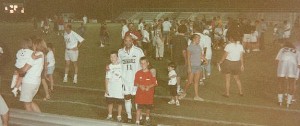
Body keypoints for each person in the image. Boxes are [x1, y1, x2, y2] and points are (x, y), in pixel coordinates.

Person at [118, 35, 144, 123]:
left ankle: (139, 116)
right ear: (124, 41)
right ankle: (129, 116)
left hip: (136, 80)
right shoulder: (120, 52)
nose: (128, 42)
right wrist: (108, 66)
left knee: (137, 99)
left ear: (132, 41)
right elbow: (118, 64)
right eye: (126, 41)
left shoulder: (138, 51)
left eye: (130, 40)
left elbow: (144, 63)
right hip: (125, 80)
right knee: (127, 97)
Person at [18, 38, 48, 112]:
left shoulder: (35, 55)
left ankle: (31, 122)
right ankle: (41, 118)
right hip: (35, 82)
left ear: (36, 45)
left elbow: (24, 69)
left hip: (29, 82)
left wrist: (18, 70)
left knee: (27, 104)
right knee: (30, 102)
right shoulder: (41, 54)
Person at [179, 34, 205, 101]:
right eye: (198, 39)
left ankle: (196, 96)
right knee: (190, 81)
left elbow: (200, 55)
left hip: (198, 66)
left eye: (199, 39)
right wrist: (189, 67)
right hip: (192, 66)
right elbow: (188, 58)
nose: (199, 40)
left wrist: (204, 59)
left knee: (196, 81)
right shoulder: (190, 47)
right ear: (193, 39)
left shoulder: (199, 46)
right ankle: (184, 92)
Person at [275, 42, 300, 108]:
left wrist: (279, 71)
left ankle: (280, 101)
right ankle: (288, 102)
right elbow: (299, 64)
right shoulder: (297, 51)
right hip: (292, 64)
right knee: (291, 82)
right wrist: (296, 74)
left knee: (280, 81)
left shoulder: (282, 49)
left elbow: (277, 60)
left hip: (283, 63)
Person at [134, 57, 157, 125]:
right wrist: (140, 86)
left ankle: (147, 118)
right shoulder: (138, 73)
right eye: (141, 63)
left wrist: (149, 87)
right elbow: (135, 82)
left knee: (148, 108)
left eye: (144, 63)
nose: (143, 64)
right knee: (139, 108)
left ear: (148, 63)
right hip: (140, 95)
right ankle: (137, 121)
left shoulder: (151, 73)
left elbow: (155, 83)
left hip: (149, 95)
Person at [105, 51, 124, 122]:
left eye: (114, 56)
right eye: (111, 57)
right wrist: (106, 88)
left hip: (119, 87)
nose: (112, 58)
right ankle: (109, 115)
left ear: (117, 57)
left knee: (120, 103)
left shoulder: (122, 66)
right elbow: (107, 78)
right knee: (110, 102)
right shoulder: (109, 66)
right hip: (111, 87)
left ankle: (119, 116)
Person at [170, 25, 188, 94]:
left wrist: (171, 56)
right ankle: (177, 88)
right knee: (178, 74)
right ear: (185, 31)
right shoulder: (183, 39)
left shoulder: (174, 37)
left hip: (174, 57)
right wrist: (186, 59)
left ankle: (175, 87)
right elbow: (184, 51)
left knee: (174, 73)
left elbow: (171, 48)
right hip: (180, 58)